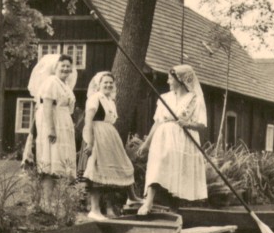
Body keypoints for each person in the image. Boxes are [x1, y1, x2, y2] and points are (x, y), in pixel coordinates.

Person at [136, 64, 207, 215]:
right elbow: (157, 122)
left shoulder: (195, 99)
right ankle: (148, 203)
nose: (168, 82)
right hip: (162, 138)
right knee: (158, 165)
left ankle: (174, 209)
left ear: (180, 80)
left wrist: (187, 123)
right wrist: (146, 144)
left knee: (177, 173)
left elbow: (201, 125)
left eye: (170, 78)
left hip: (183, 139)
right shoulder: (164, 98)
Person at [26, 53, 77, 210]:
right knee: (50, 163)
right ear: (55, 67)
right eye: (63, 65)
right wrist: (51, 129)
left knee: (59, 164)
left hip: (63, 123)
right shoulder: (51, 82)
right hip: (52, 123)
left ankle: (53, 202)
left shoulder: (65, 85)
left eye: (68, 66)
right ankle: (45, 203)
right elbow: (46, 106)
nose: (66, 69)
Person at [81, 72, 134, 220]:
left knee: (112, 172)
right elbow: (88, 121)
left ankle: (111, 207)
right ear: (99, 84)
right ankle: (94, 209)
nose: (109, 85)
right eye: (105, 83)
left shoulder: (110, 100)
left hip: (109, 138)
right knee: (97, 170)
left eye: (111, 82)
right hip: (97, 136)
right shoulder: (95, 98)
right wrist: (90, 142)